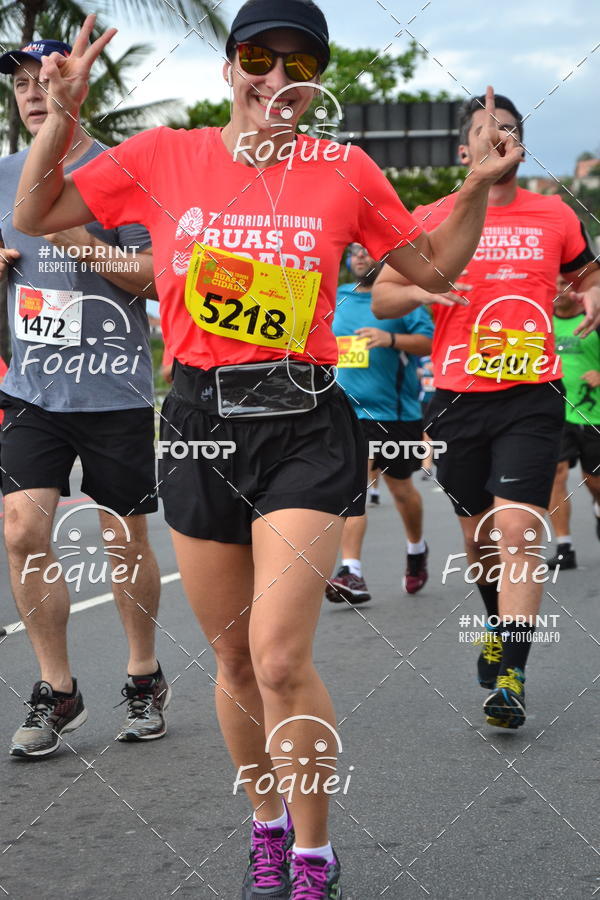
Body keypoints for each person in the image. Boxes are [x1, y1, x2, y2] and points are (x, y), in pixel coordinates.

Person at [12, 4, 523, 894]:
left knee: (283, 656)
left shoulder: (346, 169)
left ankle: (317, 852)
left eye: (298, 62)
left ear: (315, 78)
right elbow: (35, 209)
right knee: (238, 660)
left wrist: (475, 187)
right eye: (258, 55)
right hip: (202, 418)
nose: (275, 76)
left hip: (305, 421)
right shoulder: (166, 155)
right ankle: (268, 826)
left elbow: (434, 273)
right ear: (230, 68)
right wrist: (64, 116)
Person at [373, 93, 600, 731]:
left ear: (519, 147)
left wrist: (589, 296)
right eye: (484, 131)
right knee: (478, 537)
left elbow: (585, 279)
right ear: (464, 152)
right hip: (455, 400)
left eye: (508, 130)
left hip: (532, 394)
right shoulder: (435, 215)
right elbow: (385, 297)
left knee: (519, 531)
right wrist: (427, 288)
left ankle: (511, 672)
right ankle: (496, 626)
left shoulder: (555, 214)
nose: (496, 138)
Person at [0, 39, 169, 757]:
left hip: (114, 389)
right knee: (20, 529)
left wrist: (68, 234)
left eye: (48, 79)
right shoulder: (3, 174)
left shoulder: (123, 169)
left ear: (79, 86)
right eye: (22, 84)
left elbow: (152, 280)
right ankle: (58, 689)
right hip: (31, 389)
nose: (34, 92)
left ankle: (143, 675)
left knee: (122, 536)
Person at [327, 242, 433, 604]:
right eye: (354, 251)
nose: (360, 256)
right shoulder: (336, 297)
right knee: (354, 488)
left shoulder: (401, 298)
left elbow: (427, 343)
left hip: (396, 413)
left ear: (385, 258)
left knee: (402, 491)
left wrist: (388, 338)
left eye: (368, 250)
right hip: (348, 412)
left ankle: (417, 548)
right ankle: (351, 572)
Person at [547, 273, 600, 569]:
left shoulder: (595, 317)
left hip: (594, 415)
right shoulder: (541, 321)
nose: (558, 290)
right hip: (556, 413)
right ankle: (564, 546)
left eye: (564, 283)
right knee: (555, 474)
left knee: (594, 482)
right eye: (553, 284)